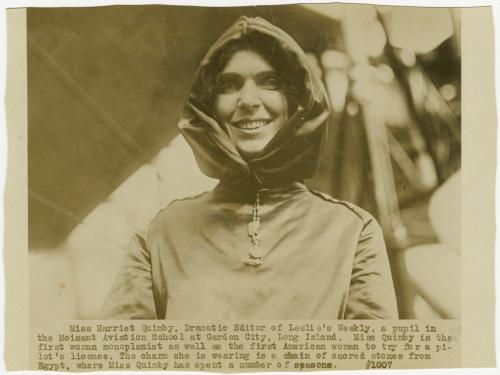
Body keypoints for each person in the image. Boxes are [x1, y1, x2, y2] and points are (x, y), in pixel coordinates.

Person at [101, 16, 398, 319]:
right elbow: (119, 359)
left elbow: (371, 362)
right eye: (229, 86)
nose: (248, 100)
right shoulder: (159, 236)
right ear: (210, 107)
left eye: (270, 82)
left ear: (297, 101)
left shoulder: (352, 233)